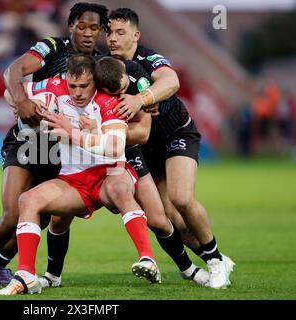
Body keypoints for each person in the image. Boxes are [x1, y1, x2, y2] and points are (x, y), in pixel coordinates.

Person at [0, 2, 110, 290]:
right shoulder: (53, 47)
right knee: (12, 214)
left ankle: (0, 266)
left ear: (101, 31)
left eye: (94, 28)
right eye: (82, 26)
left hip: (62, 150)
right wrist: (22, 99)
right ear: (71, 26)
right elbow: (13, 71)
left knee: (37, 215)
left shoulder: (101, 65)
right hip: (29, 141)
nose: (88, 33)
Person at [37, 56, 210, 289]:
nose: (118, 94)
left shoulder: (136, 86)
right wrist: (24, 106)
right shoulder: (85, 85)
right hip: (84, 165)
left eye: (121, 90)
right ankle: (52, 276)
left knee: (158, 219)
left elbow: (142, 134)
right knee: (59, 220)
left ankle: (188, 269)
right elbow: (28, 91)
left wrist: (98, 133)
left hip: (125, 157)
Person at [0, 54, 160, 295]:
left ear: (94, 81)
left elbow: (115, 146)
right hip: (74, 179)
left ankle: (148, 259)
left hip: (110, 172)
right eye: (73, 86)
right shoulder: (55, 87)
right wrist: (24, 105)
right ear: (66, 80)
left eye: (84, 86)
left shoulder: (109, 100)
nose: (78, 92)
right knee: (28, 200)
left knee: (120, 190)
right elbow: (9, 92)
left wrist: (74, 134)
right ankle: (26, 275)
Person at [105, 8, 234, 289]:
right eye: (110, 32)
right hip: (144, 147)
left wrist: (141, 99)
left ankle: (214, 263)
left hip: (176, 133)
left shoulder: (148, 58)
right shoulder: (105, 66)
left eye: (120, 32)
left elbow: (171, 81)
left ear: (136, 35)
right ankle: (215, 256)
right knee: (166, 219)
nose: (112, 38)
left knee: (181, 198)